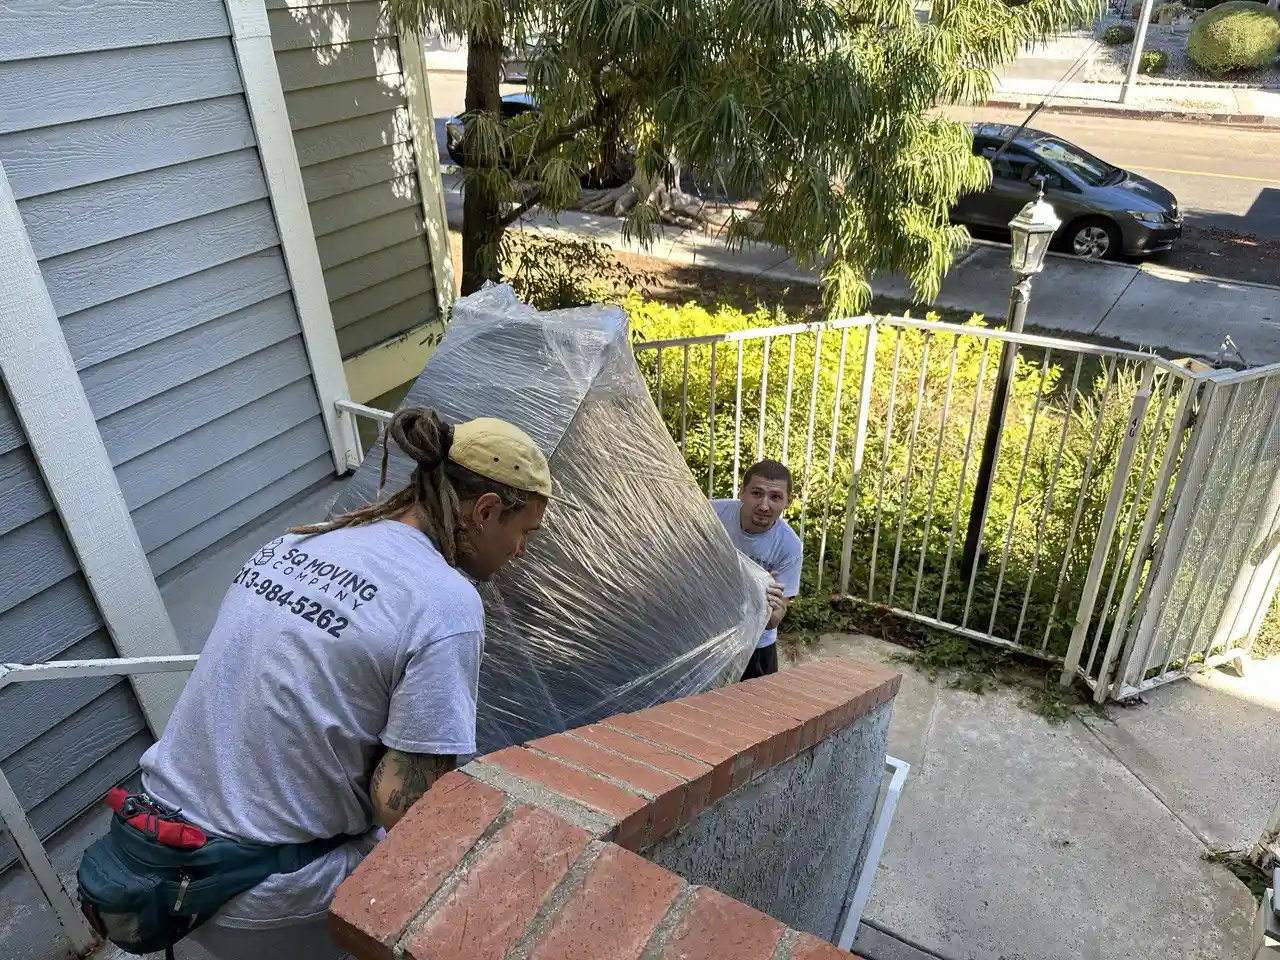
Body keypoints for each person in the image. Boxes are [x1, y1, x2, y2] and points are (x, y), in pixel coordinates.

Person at [130, 407, 552, 960]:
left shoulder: (300, 542)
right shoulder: (444, 601)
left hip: (158, 850)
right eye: (524, 533)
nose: (520, 552)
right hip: (257, 894)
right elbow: (402, 807)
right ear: (486, 510)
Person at [712, 460, 804, 680]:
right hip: (705, 633)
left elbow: (772, 621)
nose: (764, 506)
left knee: (759, 710)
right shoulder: (712, 514)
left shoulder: (789, 546)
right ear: (742, 493)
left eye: (775, 497)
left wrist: (773, 612)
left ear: (787, 502)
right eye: (756, 493)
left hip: (755, 644)